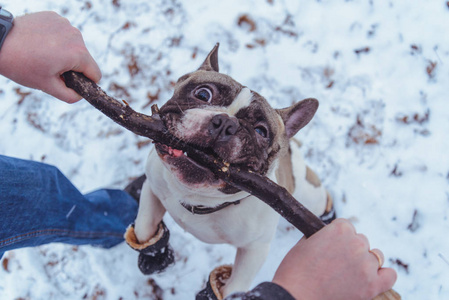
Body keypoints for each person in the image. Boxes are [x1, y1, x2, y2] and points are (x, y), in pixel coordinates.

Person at [0, 10, 397, 300]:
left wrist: (237, 290)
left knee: (306, 194)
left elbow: (255, 246)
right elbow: (156, 187)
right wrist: (145, 233)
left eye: (259, 130)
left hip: (272, 195)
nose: (223, 125)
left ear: (283, 139)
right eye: (204, 96)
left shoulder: (256, 213)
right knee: (147, 185)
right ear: (182, 84)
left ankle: (322, 202)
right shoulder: (160, 164)